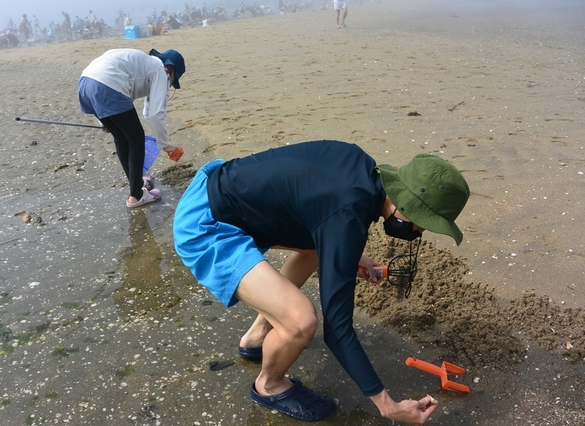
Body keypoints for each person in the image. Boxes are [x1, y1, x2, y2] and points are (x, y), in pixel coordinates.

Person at [173, 140, 470, 423]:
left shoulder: (358, 166)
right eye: (424, 225)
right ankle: (269, 385)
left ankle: (257, 336)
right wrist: (388, 406)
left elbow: (315, 211)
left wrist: (351, 256)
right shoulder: (347, 218)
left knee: (319, 251)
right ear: (409, 208)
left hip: (219, 188)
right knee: (301, 322)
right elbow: (338, 332)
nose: (419, 233)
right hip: (206, 225)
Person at [78, 48, 186, 208]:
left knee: (121, 137)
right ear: (170, 69)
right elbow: (156, 113)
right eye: (172, 80)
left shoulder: (143, 63)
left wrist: (105, 122)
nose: (169, 84)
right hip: (107, 85)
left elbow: (142, 107)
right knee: (136, 138)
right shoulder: (160, 70)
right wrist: (165, 145)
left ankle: (137, 183)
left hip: (85, 83)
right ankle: (136, 196)